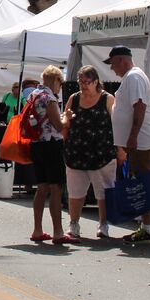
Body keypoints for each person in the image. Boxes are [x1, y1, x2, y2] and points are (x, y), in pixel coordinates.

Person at [105, 45, 150, 245]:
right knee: (140, 184)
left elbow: (140, 106)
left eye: (112, 63)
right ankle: (145, 227)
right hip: (138, 143)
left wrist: (132, 136)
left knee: (143, 184)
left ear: (122, 60)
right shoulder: (130, 77)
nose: (112, 68)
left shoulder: (134, 77)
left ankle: (148, 230)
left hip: (143, 143)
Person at [64, 66, 117, 239]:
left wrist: (121, 150)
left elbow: (117, 124)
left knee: (103, 192)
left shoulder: (107, 99)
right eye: (81, 82)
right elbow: (65, 121)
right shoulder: (74, 98)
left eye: (87, 82)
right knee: (75, 191)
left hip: (102, 153)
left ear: (96, 81)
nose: (83, 86)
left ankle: (103, 224)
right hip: (76, 152)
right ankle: (74, 224)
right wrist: (67, 120)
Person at [27, 66, 76, 245]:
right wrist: (67, 117)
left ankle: (37, 229)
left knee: (42, 188)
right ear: (55, 80)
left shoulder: (33, 95)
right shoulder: (49, 98)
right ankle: (58, 232)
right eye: (60, 83)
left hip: (36, 144)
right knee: (56, 188)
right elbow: (58, 125)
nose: (60, 87)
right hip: (51, 145)